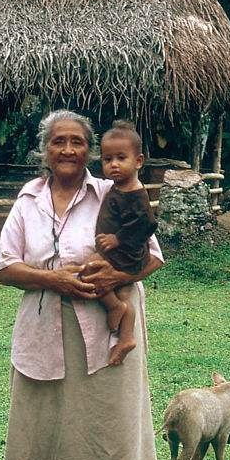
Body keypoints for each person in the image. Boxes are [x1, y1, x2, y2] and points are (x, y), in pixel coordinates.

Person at [0, 109, 164, 460]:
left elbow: (152, 256)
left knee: (109, 427)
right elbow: (4, 267)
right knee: (37, 432)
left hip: (108, 330)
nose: (68, 150)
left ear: (90, 151)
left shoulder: (114, 191)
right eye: (59, 141)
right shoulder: (28, 200)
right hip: (44, 328)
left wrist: (113, 278)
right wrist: (54, 279)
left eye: (77, 142)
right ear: (44, 150)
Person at [91, 120, 157, 366]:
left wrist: (117, 238)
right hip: (121, 251)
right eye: (107, 159)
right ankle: (127, 337)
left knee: (89, 270)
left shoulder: (135, 193)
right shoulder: (119, 187)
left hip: (126, 253)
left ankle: (114, 307)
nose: (114, 165)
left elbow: (147, 224)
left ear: (138, 161)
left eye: (121, 158)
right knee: (122, 293)